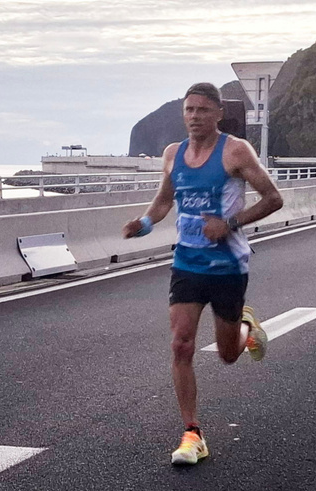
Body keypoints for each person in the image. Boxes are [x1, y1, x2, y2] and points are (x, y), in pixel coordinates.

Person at [122, 82, 283, 465]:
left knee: (228, 355)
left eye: (202, 111)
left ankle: (245, 326)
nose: (194, 117)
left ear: (218, 114)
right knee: (181, 344)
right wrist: (143, 224)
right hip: (187, 264)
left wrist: (229, 223)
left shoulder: (235, 151)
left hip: (228, 265)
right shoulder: (173, 154)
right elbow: (164, 200)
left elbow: (273, 198)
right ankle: (192, 433)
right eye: (189, 110)